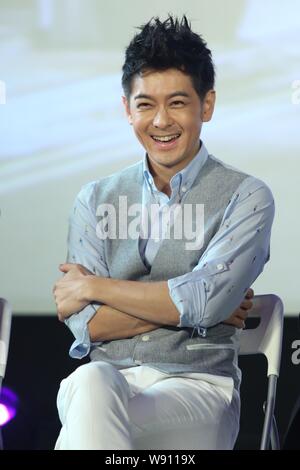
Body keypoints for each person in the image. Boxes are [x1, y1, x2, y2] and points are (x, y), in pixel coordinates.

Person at [52, 15, 274, 450]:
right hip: (108, 382)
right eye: (145, 105)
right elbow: (87, 325)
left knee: (88, 401)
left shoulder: (246, 195)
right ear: (126, 109)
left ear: (205, 105)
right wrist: (191, 312)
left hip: (198, 386)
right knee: (93, 379)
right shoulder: (94, 199)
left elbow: (205, 302)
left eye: (177, 103)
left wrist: (95, 286)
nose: (160, 122)